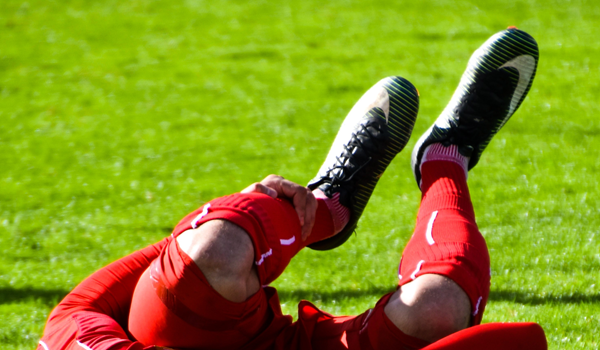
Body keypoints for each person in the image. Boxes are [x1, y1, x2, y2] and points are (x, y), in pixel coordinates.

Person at [38, 27, 547, 350]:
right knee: (439, 306)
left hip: (178, 333)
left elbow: (71, 317)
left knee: (216, 248)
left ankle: (327, 207)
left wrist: (247, 215)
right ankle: (445, 157)